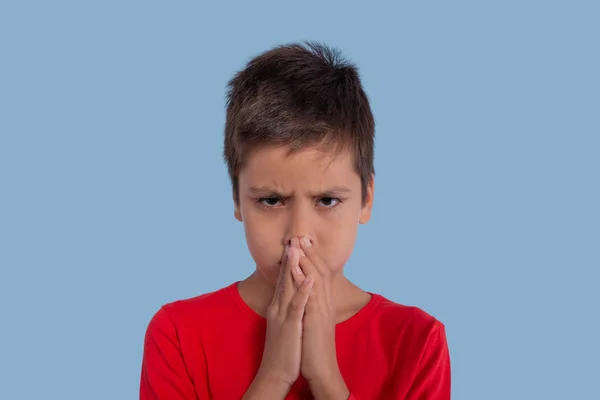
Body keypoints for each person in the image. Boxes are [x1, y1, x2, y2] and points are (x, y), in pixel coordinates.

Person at [139, 41, 451, 400]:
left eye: (327, 200)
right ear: (237, 198)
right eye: (271, 201)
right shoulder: (178, 334)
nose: (298, 235)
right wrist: (273, 376)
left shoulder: (416, 341)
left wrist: (326, 378)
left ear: (366, 198)